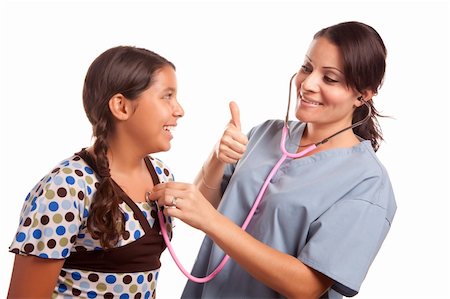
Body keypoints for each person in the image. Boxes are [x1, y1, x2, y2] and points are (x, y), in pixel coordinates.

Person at [148, 21, 396, 298]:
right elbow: (204, 208)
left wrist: (212, 222)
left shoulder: (367, 182)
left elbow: (308, 286)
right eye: (306, 68)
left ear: (363, 95)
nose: (309, 84)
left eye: (330, 78)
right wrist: (217, 159)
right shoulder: (265, 133)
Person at [7, 46, 184, 298]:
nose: (179, 110)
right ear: (121, 106)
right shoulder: (65, 189)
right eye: (167, 96)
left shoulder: (161, 175)